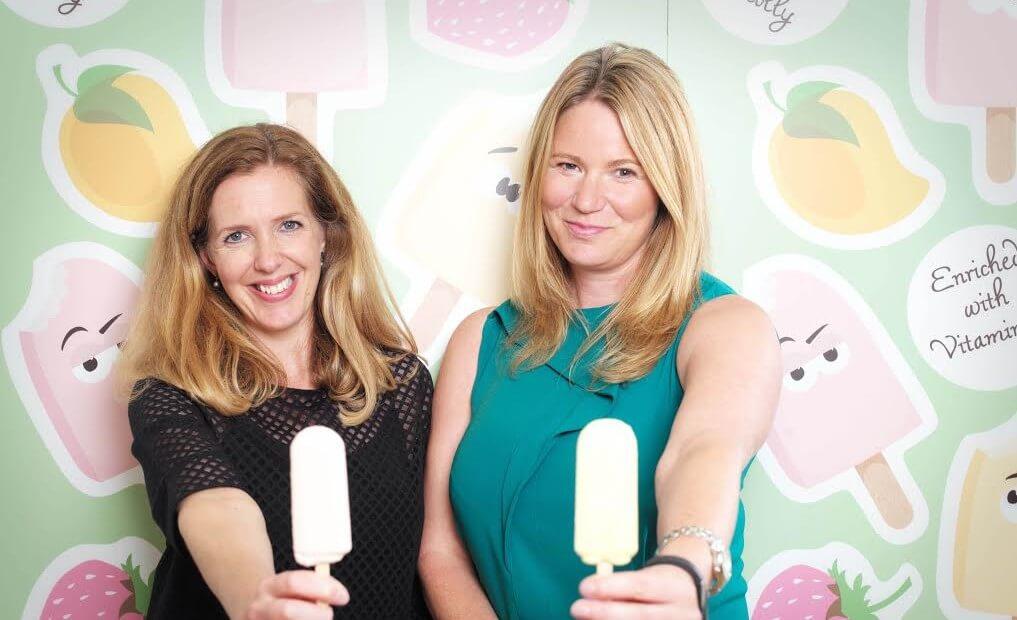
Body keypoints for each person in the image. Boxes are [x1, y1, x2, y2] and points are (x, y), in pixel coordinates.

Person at [419, 44, 781, 619]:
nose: (587, 200)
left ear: (665, 186)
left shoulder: (726, 326)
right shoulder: (478, 341)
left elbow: (702, 450)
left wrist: (685, 564)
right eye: (568, 166)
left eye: (623, 172)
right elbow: (441, 551)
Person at [119, 123, 432, 619]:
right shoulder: (172, 396)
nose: (268, 260)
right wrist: (257, 602)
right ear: (206, 258)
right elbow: (216, 507)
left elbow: (426, 559)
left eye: (289, 225)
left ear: (326, 235)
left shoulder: (402, 385)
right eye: (237, 236)